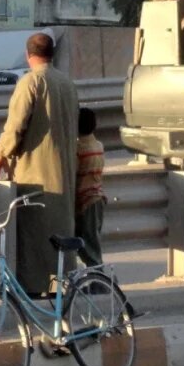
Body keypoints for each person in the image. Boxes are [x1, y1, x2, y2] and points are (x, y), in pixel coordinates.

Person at [0, 33, 78, 296]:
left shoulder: (31, 82)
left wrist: (1, 154)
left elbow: (16, 126)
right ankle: (59, 291)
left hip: (35, 175)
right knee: (60, 235)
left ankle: (32, 289)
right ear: (52, 54)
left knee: (33, 235)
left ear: (28, 55)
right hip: (64, 173)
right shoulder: (67, 83)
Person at [75, 107, 106, 268]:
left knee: (89, 248)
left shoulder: (78, 149)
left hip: (86, 201)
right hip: (97, 199)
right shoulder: (99, 145)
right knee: (91, 242)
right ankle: (97, 276)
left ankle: (99, 277)